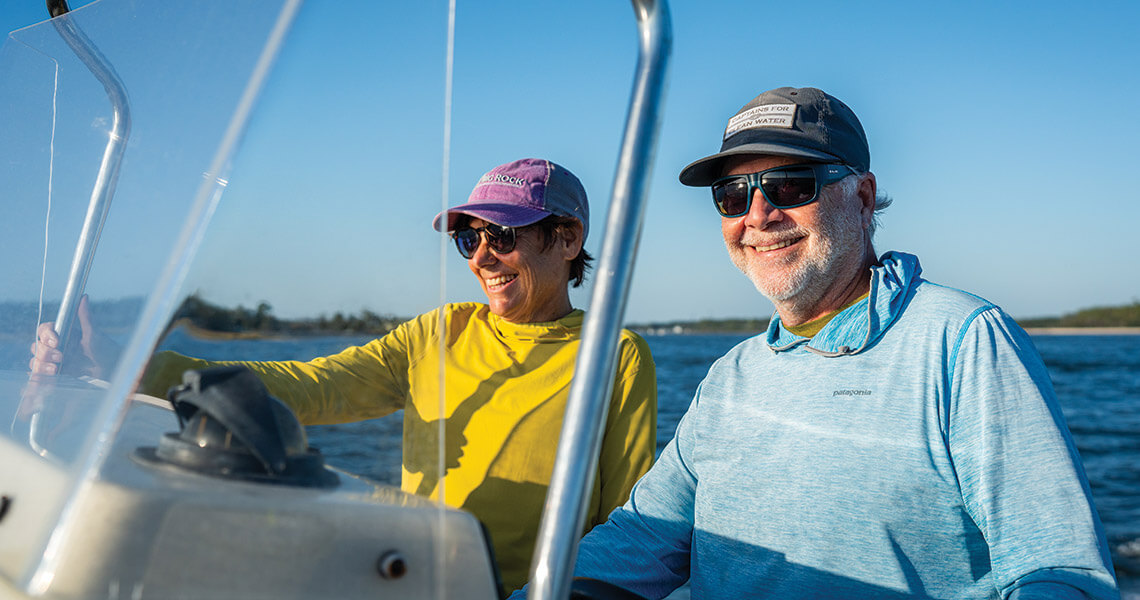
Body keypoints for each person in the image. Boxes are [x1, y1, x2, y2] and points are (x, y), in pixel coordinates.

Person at [510, 88, 1119, 599]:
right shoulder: (733, 375)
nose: (758, 214)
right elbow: (645, 538)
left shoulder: (962, 341)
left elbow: (1058, 568)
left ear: (859, 196)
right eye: (732, 195)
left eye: (790, 185)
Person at [30, 157, 658, 594]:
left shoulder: (617, 354)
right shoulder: (441, 331)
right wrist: (136, 366)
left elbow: (628, 520)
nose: (483, 257)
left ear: (568, 238)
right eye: (468, 240)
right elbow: (313, 386)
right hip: (420, 579)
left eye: (501, 234)